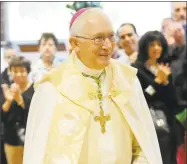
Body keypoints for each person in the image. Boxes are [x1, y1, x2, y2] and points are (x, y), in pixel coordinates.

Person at [23, 8, 162, 164]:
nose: (108, 46)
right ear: (75, 43)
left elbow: (144, 144)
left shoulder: (127, 80)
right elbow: (38, 154)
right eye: (98, 39)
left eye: (111, 37)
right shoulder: (51, 89)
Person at [132, 31, 181, 164]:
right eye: (152, 44)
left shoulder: (164, 67)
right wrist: (157, 82)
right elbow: (142, 97)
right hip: (150, 125)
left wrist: (166, 82)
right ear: (145, 47)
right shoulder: (136, 69)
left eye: (159, 44)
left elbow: (173, 100)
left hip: (169, 124)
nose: (156, 48)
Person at [1, 56, 34, 164]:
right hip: (11, 140)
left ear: (27, 71)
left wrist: (20, 100)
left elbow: (35, 115)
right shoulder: (6, 90)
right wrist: (9, 101)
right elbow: (2, 116)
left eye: (22, 71)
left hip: (31, 141)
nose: (18, 74)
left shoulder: (35, 89)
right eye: (15, 71)